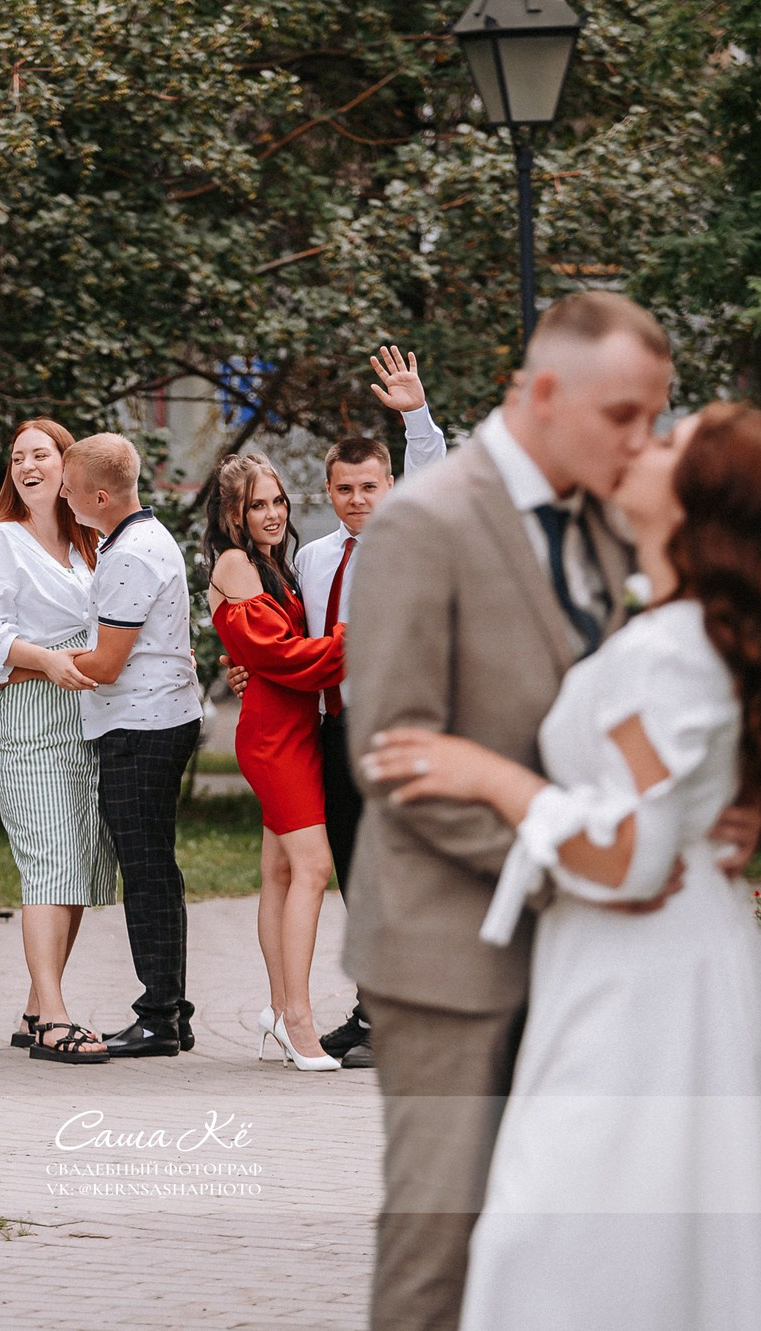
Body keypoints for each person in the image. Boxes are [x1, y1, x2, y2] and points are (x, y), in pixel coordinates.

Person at [363, 403, 761, 1330]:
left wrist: (496, 780)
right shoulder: (674, 630)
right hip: (654, 961)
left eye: (670, 440)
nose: (644, 442)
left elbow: (632, 856)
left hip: (644, 976)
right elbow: (658, 808)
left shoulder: (669, 654)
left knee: (557, 1236)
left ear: (697, 503)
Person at [345, 292, 757, 1330]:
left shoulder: (606, 519)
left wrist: (706, 804)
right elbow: (390, 754)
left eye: (654, 416)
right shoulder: (423, 520)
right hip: (451, 952)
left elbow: (660, 688)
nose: (642, 440)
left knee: (554, 1255)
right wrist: (581, 856)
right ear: (541, 392)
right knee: (440, 1250)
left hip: (587, 960)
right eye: (624, 414)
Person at [297, 345, 455, 1067]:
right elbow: (303, 641)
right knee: (358, 874)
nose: (359, 498)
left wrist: (415, 413)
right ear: (328, 491)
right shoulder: (315, 558)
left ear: (390, 484)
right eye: (345, 488)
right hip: (334, 728)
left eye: (369, 485)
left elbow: (434, 470)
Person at [0, 418, 118, 1065]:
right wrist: (47, 661)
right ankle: (53, 1019)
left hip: (86, 717)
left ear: (66, 464)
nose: (27, 464)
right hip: (28, 718)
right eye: (18, 456)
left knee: (75, 859)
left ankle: (34, 1003)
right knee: (48, 858)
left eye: (40, 454)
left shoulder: (86, 546)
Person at [59, 432, 204, 1058]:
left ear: (97, 495)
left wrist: (30, 662)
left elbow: (109, 663)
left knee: (146, 873)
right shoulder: (137, 539)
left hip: (141, 725)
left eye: (67, 487)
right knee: (153, 869)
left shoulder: (129, 555)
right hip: (148, 718)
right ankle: (172, 1008)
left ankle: (159, 1017)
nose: (62, 495)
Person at [206, 453, 345, 1071]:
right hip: (273, 738)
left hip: (293, 727)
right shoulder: (235, 563)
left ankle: (276, 1008)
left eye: (278, 502)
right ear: (233, 514)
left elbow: (265, 656)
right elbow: (284, 654)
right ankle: (299, 1021)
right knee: (313, 869)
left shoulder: (274, 566)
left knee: (281, 877)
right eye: (256, 504)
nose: (272, 514)